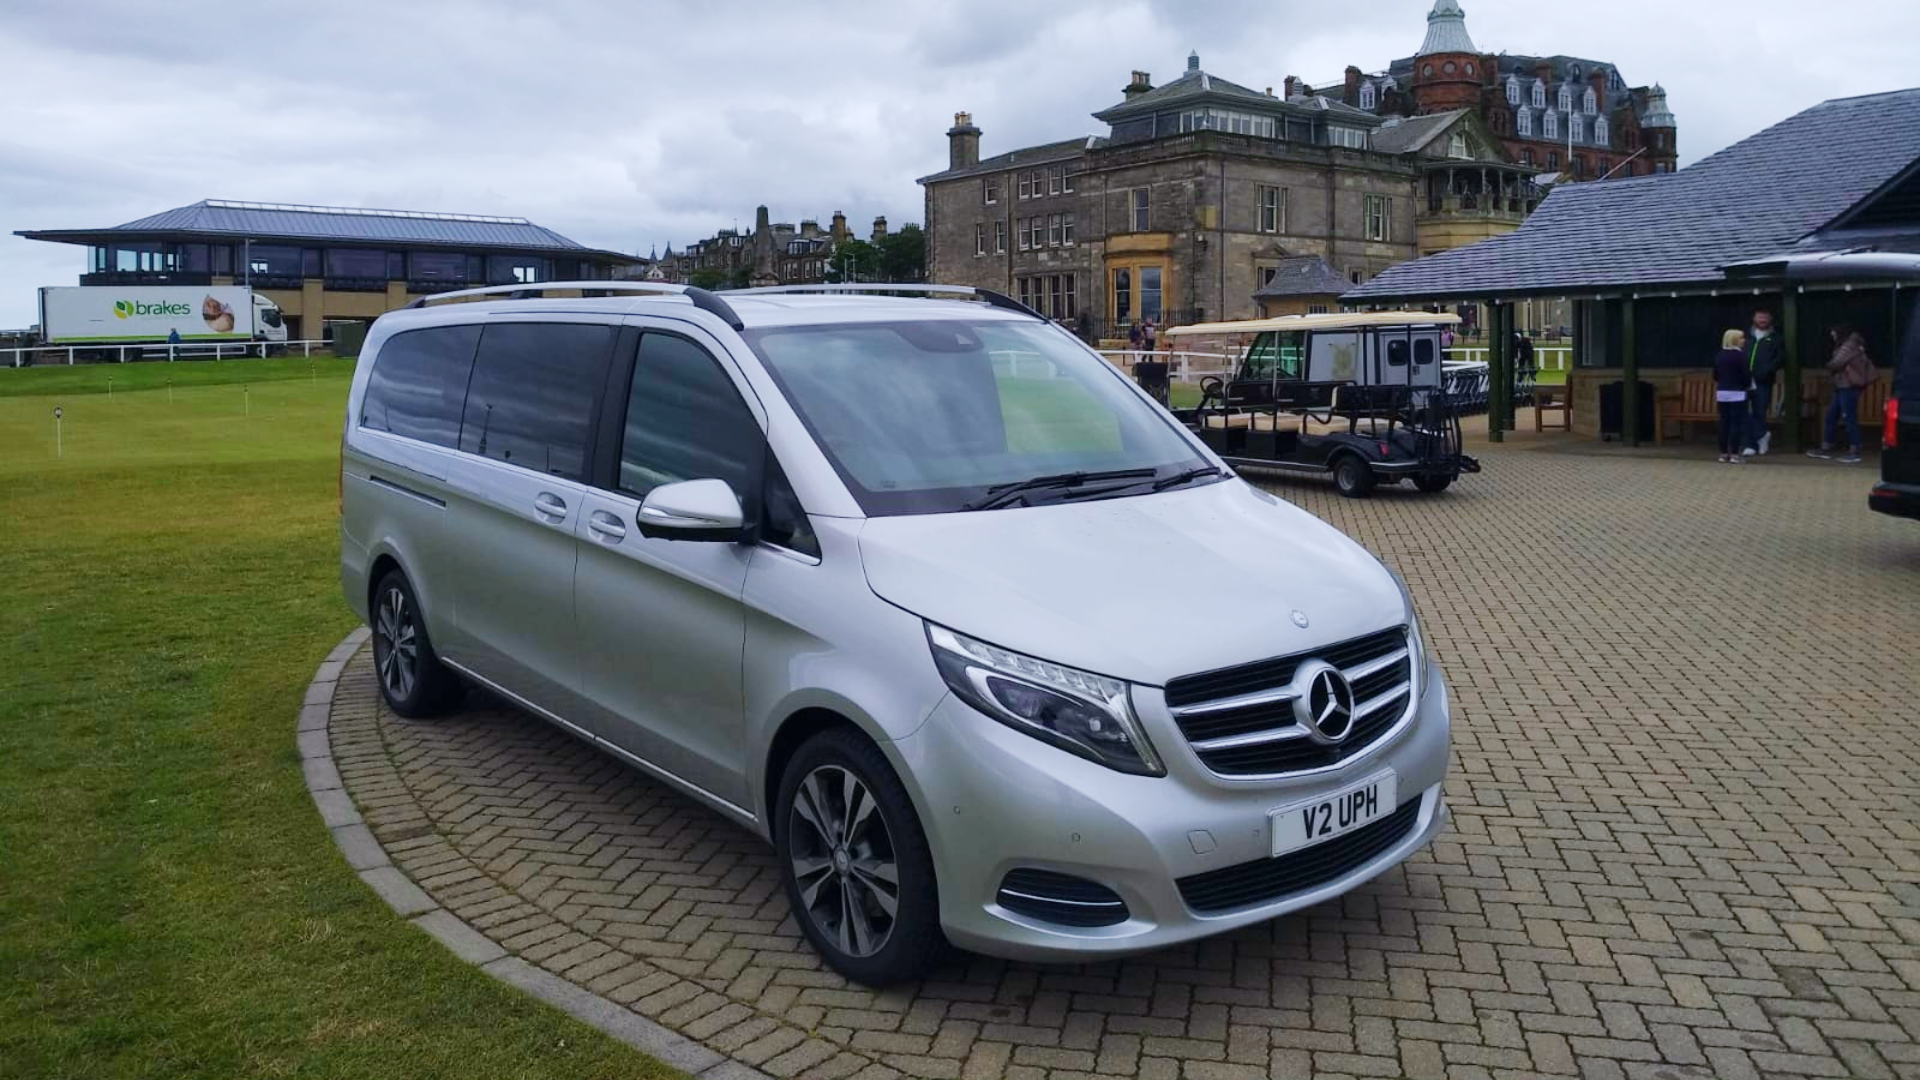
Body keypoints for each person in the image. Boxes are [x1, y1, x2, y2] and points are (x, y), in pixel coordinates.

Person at [1807, 324, 1876, 464]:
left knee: (1849, 418)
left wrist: (1828, 365)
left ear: (1840, 332)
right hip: (1842, 385)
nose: (1832, 335)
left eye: (1833, 332)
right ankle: (1826, 447)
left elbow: (1836, 363)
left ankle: (1854, 450)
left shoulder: (1849, 345)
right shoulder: (1851, 344)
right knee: (1831, 416)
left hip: (1849, 386)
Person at [1743, 309, 1786, 456]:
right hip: (1744, 380)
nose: (1762, 320)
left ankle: (1760, 440)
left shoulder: (1776, 338)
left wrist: (1767, 369)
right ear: (1754, 318)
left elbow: (1780, 358)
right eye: (1760, 317)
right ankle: (1753, 442)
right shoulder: (1746, 336)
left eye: (1765, 318)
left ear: (1770, 319)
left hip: (1763, 381)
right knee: (1745, 412)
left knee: (1759, 411)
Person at [1713, 329, 1751, 464]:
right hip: (1738, 393)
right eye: (1741, 338)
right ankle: (1735, 454)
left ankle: (1723, 454)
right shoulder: (1741, 356)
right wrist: (1747, 385)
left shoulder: (1720, 355)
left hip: (1722, 392)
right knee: (1736, 423)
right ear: (1735, 340)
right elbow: (1746, 376)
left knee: (1724, 422)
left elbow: (1716, 375)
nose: (1744, 340)